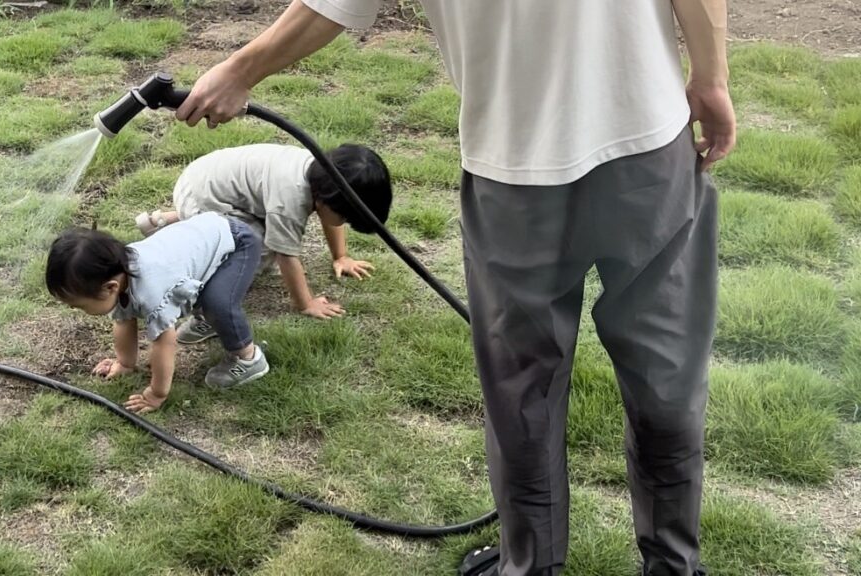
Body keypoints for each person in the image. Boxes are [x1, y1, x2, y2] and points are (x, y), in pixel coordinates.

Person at [171, 0, 736, 574]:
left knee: (522, 389)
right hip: (646, 146)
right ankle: (674, 567)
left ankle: (531, 567)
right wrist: (711, 78)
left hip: (514, 168)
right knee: (665, 371)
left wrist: (240, 71)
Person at [134, 142, 393, 330]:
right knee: (255, 250)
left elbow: (333, 215)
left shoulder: (322, 174)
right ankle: (188, 235)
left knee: (257, 230)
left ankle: (165, 220)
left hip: (208, 181)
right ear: (325, 201)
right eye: (346, 218)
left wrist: (342, 256)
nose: (344, 223)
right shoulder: (289, 201)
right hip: (203, 195)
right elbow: (286, 255)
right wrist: (306, 303)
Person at [45, 212, 268, 414]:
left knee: (218, 303)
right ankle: (210, 322)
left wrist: (156, 393)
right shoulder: (119, 270)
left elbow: (164, 343)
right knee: (205, 295)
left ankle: (248, 357)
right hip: (206, 236)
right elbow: (124, 320)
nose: (77, 310)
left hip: (236, 243)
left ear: (111, 287)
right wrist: (125, 363)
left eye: (80, 305)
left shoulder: (151, 291)